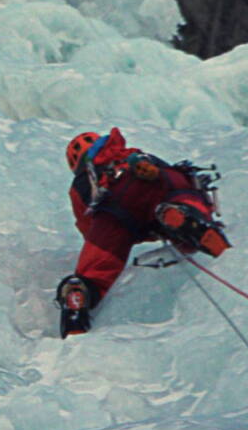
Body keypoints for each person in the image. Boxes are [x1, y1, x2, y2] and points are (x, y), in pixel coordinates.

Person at [58, 128, 230, 337]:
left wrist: (102, 240)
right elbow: (174, 176)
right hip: (150, 181)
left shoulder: (82, 183)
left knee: (96, 268)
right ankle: (185, 218)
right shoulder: (130, 153)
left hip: (113, 208)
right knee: (182, 194)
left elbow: (89, 228)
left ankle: (79, 296)